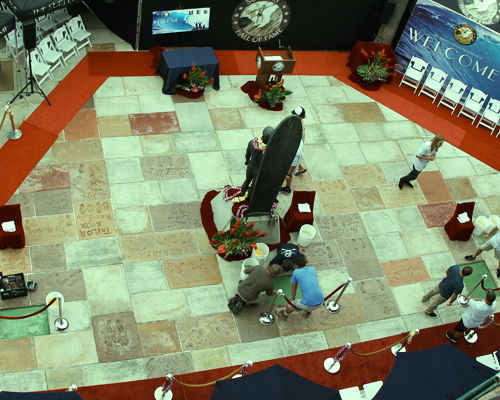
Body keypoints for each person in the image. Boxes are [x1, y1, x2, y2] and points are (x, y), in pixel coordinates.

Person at [279, 107, 307, 194]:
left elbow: (296, 156)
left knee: (288, 174)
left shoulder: (299, 127)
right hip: (295, 150)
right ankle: (300, 168)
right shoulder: (297, 122)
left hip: (295, 154)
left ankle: (287, 188)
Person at [240, 126, 274, 196]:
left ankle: (242, 194)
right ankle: (249, 199)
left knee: (247, 181)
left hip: (251, 167)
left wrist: (247, 161)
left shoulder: (252, 143)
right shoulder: (269, 150)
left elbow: (247, 154)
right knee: (253, 186)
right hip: (259, 171)